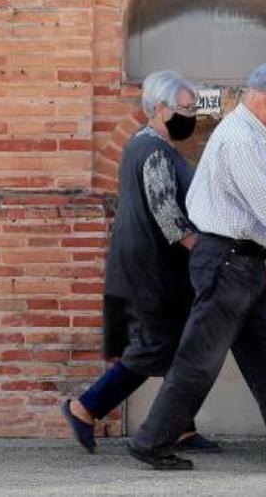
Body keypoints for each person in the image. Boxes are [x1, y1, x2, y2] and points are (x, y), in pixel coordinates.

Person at [127, 62, 266, 471]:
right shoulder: (241, 138)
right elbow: (263, 204)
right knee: (199, 357)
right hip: (227, 261)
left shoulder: (253, 136)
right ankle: (152, 441)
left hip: (242, 265)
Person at [61, 70, 219, 455]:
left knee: (179, 346)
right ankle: (85, 408)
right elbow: (168, 216)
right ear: (161, 108)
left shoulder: (144, 146)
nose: (190, 114)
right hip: (152, 269)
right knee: (152, 348)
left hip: (152, 266)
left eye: (193, 107)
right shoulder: (154, 152)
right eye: (184, 108)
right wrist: (206, 251)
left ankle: (180, 427)